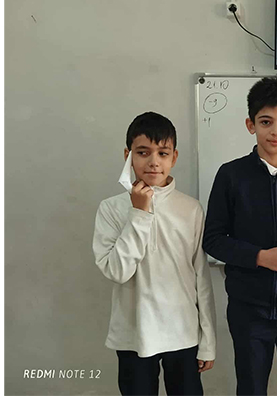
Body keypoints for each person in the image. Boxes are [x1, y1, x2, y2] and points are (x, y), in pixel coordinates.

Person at [203, 77, 277, 395]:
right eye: (266, 122)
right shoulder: (231, 175)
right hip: (248, 306)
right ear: (250, 124)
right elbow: (213, 238)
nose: (276, 131)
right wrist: (260, 257)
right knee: (251, 387)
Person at [92, 112, 216, 395]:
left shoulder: (191, 209)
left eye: (163, 153)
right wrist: (139, 213)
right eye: (143, 152)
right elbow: (117, 271)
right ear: (128, 155)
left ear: (174, 157)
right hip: (134, 334)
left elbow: (201, 277)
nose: (153, 161)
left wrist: (208, 340)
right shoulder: (111, 209)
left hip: (182, 333)